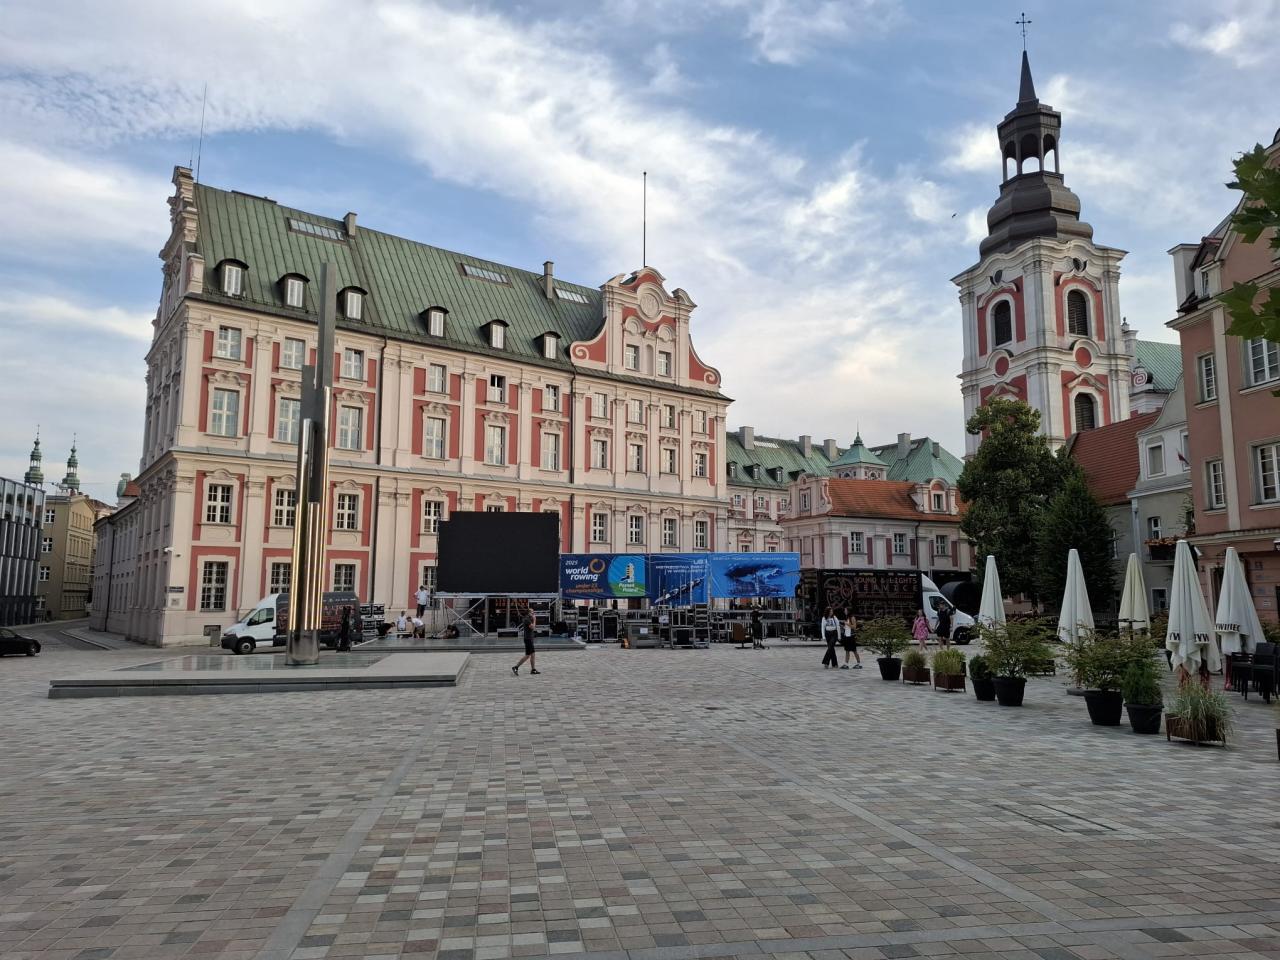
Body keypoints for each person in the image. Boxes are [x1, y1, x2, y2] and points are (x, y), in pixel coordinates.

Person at [513, 608, 540, 676]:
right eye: (532, 612)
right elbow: (533, 627)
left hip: (529, 639)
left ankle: (533, 670)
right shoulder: (527, 619)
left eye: (533, 612)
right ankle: (516, 667)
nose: (533, 613)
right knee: (528, 655)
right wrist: (534, 619)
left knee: (532, 654)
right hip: (528, 639)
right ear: (529, 613)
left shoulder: (527, 618)